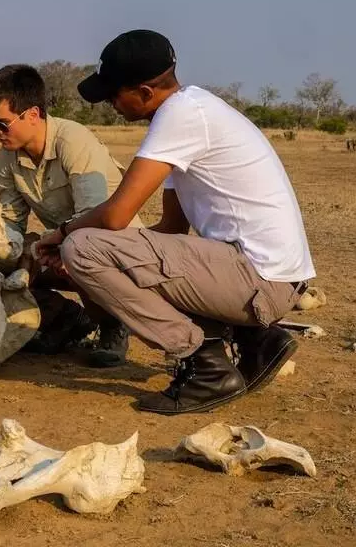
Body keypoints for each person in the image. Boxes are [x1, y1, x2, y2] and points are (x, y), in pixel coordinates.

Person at [35, 30, 315, 414]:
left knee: (83, 248)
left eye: (115, 94)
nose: (112, 104)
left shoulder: (179, 117)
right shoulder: (193, 110)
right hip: (266, 275)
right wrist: (116, 265)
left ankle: (205, 363)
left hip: (259, 281)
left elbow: (116, 215)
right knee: (102, 253)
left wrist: (64, 234)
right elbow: (170, 229)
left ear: (147, 92)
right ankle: (256, 341)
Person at [0, 64, 144, 366]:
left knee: (79, 250)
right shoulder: (8, 156)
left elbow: (95, 218)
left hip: (117, 251)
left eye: (2, 124)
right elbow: (11, 222)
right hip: (64, 242)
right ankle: (67, 320)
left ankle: (113, 327)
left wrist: (54, 245)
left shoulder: (73, 141)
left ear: (32, 114)